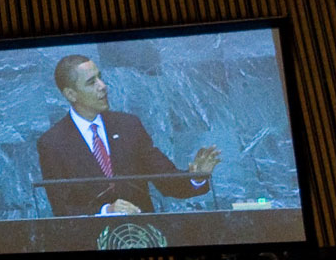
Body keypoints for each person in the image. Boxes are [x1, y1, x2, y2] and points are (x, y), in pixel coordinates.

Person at [30, 54, 220, 219]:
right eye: (91, 82)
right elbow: (62, 208)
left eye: (100, 78)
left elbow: (166, 180)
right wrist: (106, 210)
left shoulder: (128, 126)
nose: (103, 86)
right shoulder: (53, 143)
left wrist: (196, 177)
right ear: (71, 94)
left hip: (143, 234)